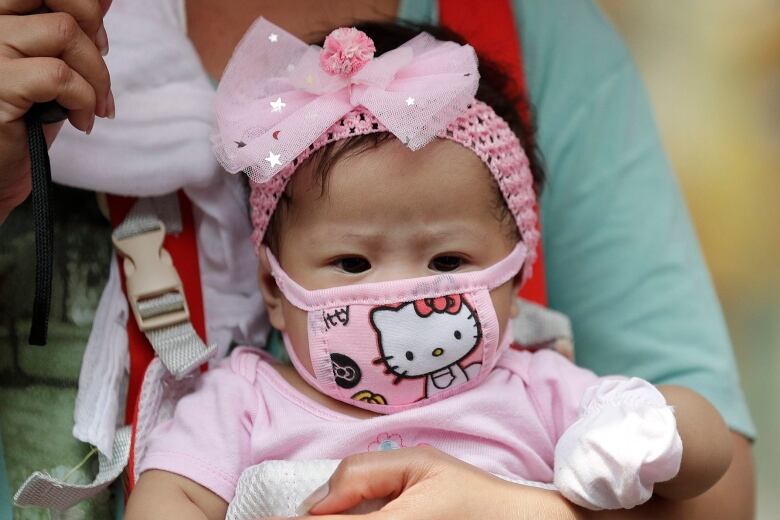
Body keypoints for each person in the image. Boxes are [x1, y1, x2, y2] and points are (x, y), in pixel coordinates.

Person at [0, 1, 755, 519]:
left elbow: (705, 447)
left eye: (450, 258)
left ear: (517, 274)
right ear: (273, 285)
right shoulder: (248, 400)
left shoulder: (537, 385)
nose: (403, 293)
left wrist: (639, 441)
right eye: (353, 265)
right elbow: (175, 491)